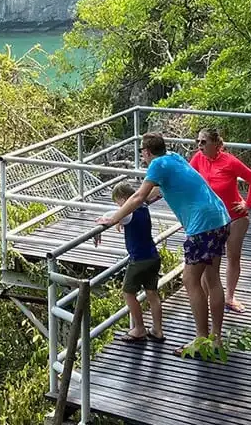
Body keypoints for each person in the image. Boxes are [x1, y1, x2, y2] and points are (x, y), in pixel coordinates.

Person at [98, 132, 231, 356]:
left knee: (190, 279)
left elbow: (139, 196)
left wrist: (113, 219)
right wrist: (129, 209)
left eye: (142, 152)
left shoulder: (157, 164)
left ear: (147, 152)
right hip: (220, 217)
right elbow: (160, 191)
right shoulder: (174, 158)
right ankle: (215, 339)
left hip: (202, 225)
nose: (142, 156)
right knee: (212, 278)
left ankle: (201, 341)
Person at [190, 127, 251, 313]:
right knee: (209, 261)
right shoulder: (198, 158)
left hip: (234, 216)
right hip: (211, 220)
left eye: (203, 142)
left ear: (216, 144)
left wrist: (248, 204)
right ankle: (205, 300)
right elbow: (189, 180)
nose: (199, 146)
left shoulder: (229, 161)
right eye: (198, 142)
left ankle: (229, 297)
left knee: (232, 256)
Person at [103, 181, 165, 343]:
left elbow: (111, 214)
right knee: (152, 293)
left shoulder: (128, 213)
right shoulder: (143, 207)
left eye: (118, 203)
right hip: (153, 256)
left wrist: (110, 218)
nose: (119, 207)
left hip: (138, 260)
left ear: (123, 200)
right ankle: (158, 330)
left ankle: (139, 328)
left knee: (128, 293)